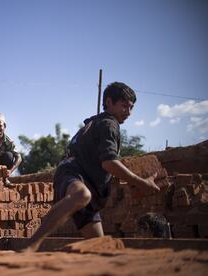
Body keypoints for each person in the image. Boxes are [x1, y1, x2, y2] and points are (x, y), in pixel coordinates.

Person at [22, 82, 161, 252]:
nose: (129, 112)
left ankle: (62, 255)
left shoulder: (97, 123)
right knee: (81, 194)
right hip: (72, 174)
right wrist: (141, 182)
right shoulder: (109, 124)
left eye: (131, 107)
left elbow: (103, 163)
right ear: (109, 102)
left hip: (88, 188)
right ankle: (31, 245)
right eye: (124, 106)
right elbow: (109, 163)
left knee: (101, 248)